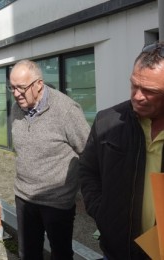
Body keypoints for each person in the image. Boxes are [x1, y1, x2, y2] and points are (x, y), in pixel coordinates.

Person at [79, 42, 164, 259]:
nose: (138, 96)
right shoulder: (107, 122)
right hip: (119, 249)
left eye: (150, 91)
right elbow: (88, 171)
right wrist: (103, 213)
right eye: (134, 85)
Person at [8, 60, 90, 260]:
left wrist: (82, 193)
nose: (16, 93)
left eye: (21, 87)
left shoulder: (67, 110)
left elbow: (88, 152)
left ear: (39, 84)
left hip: (57, 202)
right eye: (12, 88)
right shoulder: (16, 108)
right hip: (24, 197)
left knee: (60, 254)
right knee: (28, 253)